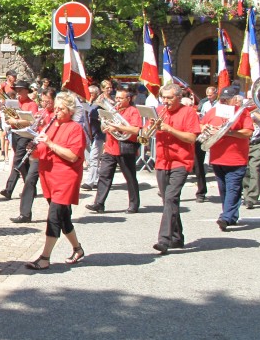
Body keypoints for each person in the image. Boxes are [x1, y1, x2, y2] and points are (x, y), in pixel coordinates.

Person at [24, 91, 87, 270]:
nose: (56, 112)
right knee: (63, 217)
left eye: (61, 109)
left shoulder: (75, 128)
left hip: (65, 177)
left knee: (53, 216)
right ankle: (78, 248)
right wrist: (33, 149)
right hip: (49, 176)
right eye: (56, 108)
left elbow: (73, 156)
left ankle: (45, 257)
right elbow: (41, 151)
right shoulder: (50, 125)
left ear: (70, 111)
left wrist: (50, 143)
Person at [151, 83, 200, 254]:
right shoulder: (158, 111)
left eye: (169, 98)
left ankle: (164, 240)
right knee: (168, 201)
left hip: (180, 161)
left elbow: (192, 137)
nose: (165, 101)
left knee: (171, 198)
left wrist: (170, 129)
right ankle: (177, 238)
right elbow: (146, 131)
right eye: (163, 97)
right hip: (162, 161)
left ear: (179, 97)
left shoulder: (188, 112)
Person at [201, 86, 252, 231]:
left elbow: (248, 132)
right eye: (222, 99)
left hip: (236, 158)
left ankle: (226, 217)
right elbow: (202, 123)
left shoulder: (243, 113)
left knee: (233, 188)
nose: (224, 101)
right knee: (224, 189)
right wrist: (205, 127)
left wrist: (228, 132)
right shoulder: (215, 111)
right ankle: (232, 216)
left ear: (235, 99)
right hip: (217, 158)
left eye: (227, 99)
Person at [86, 86, 142, 214]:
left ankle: (134, 204)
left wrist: (117, 127)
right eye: (116, 97)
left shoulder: (133, 111)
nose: (117, 100)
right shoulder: (114, 110)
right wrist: (105, 127)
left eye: (120, 98)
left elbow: (135, 130)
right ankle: (99, 203)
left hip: (125, 147)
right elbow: (104, 124)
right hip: (110, 147)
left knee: (130, 177)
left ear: (128, 99)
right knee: (104, 176)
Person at [10, 87, 56, 224]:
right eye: (42, 101)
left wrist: (45, 123)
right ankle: (25, 214)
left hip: (51, 153)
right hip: (38, 152)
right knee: (30, 180)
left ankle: (59, 211)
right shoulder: (41, 112)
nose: (44, 104)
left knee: (49, 185)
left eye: (47, 101)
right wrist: (33, 125)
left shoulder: (57, 114)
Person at [0, 80, 39, 199]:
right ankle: (31, 188)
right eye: (17, 90)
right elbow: (7, 118)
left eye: (20, 90)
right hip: (15, 133)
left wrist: (15, 121)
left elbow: (32, 120)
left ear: (27, 91)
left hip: (25, 135)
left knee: (17, 161)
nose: (18, 93)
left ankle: (9, 189)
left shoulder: (31, 104)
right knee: (22, 164)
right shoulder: (14, 103)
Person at [242, 100, 260, 210]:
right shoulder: (243, 109)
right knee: (245, 169)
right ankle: (246, 192)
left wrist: (250, 110)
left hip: (259, 141)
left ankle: (251, 198)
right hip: (245, 142)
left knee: (254, 168)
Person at [82, 85, 104, 190]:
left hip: (98, 135)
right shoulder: (86, 104)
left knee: (94, 158)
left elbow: (93, 114)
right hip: (88, 135)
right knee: (91, 159)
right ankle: (96, 180)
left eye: (91, 93)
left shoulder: (99, 105)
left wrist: (89, 105)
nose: (89, 95)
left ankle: (89, 182)